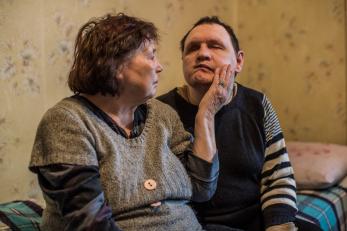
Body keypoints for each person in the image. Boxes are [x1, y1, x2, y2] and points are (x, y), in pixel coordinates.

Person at [29, 13, 235, 231]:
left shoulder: (163, 114)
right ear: (116, 64)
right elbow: (89, 223)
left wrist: (206, 113)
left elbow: (202, 188)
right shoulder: (67, 121)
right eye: (151, 55)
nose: (159, 67)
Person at [158, 16, 322, 231]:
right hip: (194, 224)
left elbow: (277, 177)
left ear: (239, 61)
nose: (202, 54)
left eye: (215, 46)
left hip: (255, 218)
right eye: (192, 48)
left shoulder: (257, 104)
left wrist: (279, 224)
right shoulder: (160, 111)